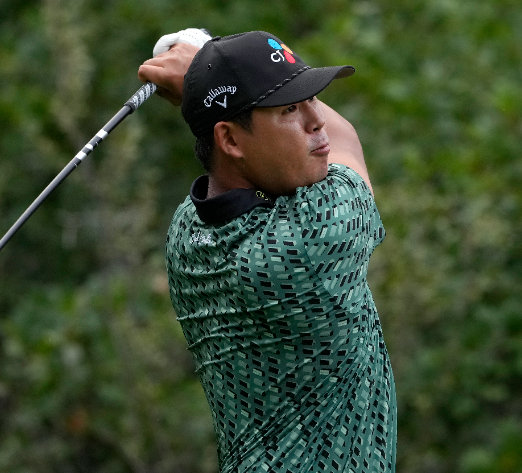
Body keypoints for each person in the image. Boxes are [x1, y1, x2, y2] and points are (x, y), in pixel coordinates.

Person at [139, 30, 396, 473]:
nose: (316, 120)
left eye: (311, 98)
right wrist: (200, 66)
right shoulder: (310, 240)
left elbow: (238, 164)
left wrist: (208, 84)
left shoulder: (185, 233)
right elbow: (345, 143)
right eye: (289, 109)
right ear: (231, 141)